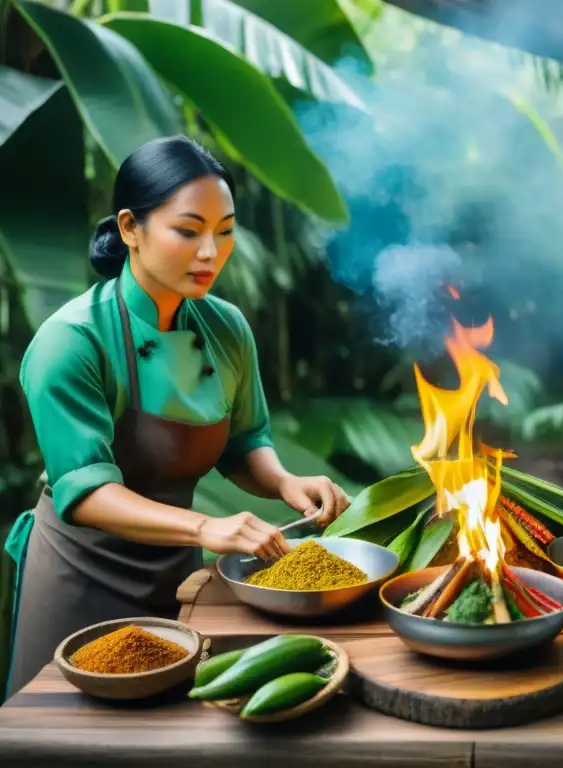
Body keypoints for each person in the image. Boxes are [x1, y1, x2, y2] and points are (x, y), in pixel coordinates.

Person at [3, 136, 350, 698]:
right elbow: (85, 493)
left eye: (225, 230)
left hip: (177, 579)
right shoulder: (71, 342)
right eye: (188, 231)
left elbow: (244, 442)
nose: (211, 252)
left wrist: (285, 481)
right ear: (130, 228)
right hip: (79, 577)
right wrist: (207, 528)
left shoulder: (226, 327)